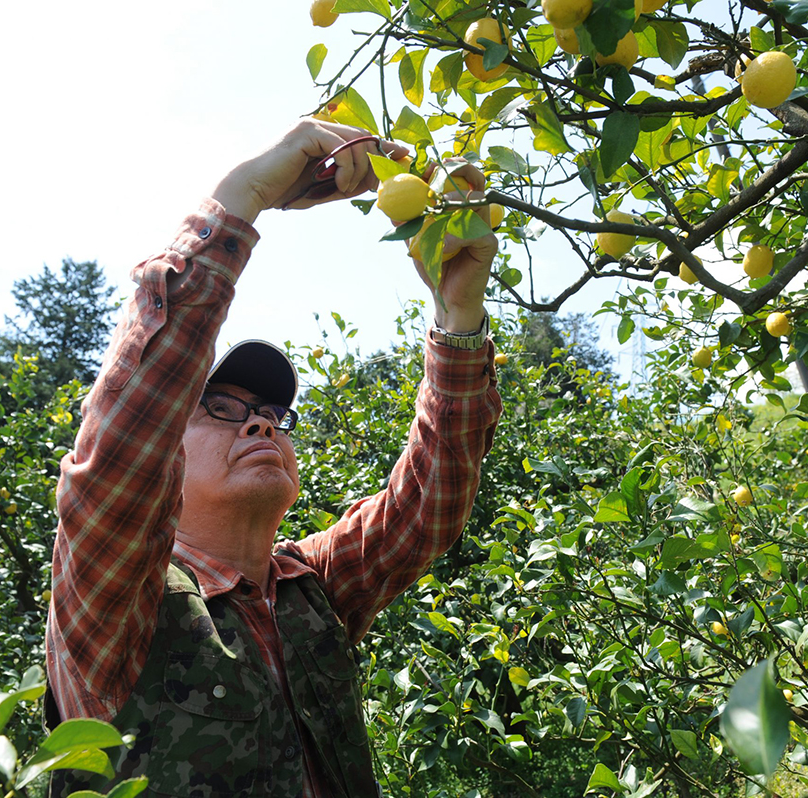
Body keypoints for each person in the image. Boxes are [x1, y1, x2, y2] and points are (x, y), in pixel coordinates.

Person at [44, 118, 503, 798]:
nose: (259, 421)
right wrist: (242, 197)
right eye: (222, 408)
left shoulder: (309, 585)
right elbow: (118, 457)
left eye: (271, 414)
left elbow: (426, 508)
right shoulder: (119, 604)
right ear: (165, 458)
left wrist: (456, 314)